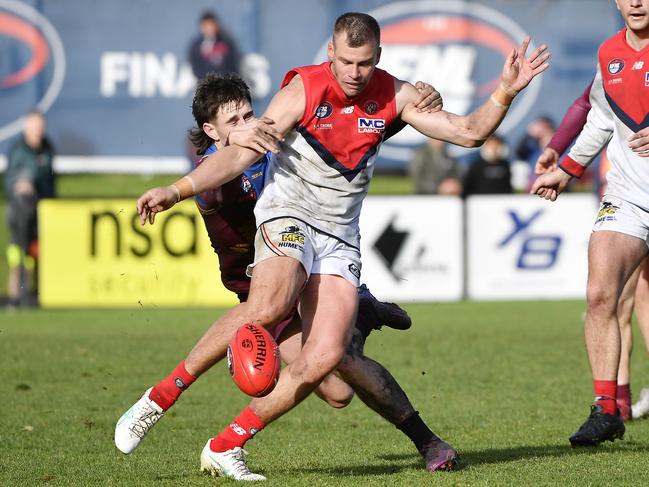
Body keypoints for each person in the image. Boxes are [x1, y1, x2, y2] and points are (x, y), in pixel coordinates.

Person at [123, 12, 549, 479]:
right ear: (331, 52)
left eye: (364, 64)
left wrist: (506, 90)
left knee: (327, 360)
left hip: (339, 237)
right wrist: (176, 189)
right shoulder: (302, 91)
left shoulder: (395, 95)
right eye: (345, 61)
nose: (353, 73)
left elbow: (470, 132)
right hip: (288, 215)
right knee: (270, 303)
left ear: (378, 58)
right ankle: (158, 399)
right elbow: (241, 154)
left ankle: (226, 444)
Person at [116, 72, 455, 478]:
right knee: (337, 392)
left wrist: (405, 110)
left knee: (342, 367)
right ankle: (362, 314)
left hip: (303, 275)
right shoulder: (214, 181)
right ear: (210, 131)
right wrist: (176, 189)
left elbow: (347, 134)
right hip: (265, 291)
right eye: (234, 123)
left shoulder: (273, 144)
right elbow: (228, 170)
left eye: (249, 115)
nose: (247, 127)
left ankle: (426, 438)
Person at [531, 0, 649, 446]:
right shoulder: (608, 53)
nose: (636, 2)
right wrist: (568, 168)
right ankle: (605, 410)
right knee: (601, 294)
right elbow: (600, 117)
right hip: (629, 197)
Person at [4, 110, 55, 309]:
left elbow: (50, 180)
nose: (38, 130)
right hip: (19, 212)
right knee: (18, 254)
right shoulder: (18, 151)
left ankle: (33, 295)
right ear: (27, 127)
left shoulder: (48, 149)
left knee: (36, 254)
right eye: (34, 126)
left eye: (40, 126)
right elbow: (11, 180)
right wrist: (21, 184)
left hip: (40, 210)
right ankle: (15, 298)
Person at [188, 11, 241, 80]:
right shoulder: (196, 46)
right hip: (205, 84)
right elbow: (196, 68)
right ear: (201, 27)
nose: (209, 28)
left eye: (211, 25)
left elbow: (233, 65)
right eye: (206, 25)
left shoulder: (226, 43)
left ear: (216, 25)